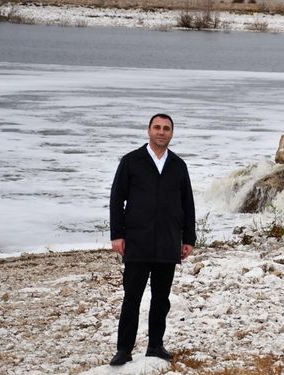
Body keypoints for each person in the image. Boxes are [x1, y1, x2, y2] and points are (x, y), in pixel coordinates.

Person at [108, 113, 196, 366]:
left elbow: (187, 204)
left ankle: (155, 346)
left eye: (166, 128)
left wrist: (188, 237)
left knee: (161, 298)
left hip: (168, 242)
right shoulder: (131, 161)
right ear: (149, 131)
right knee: (132, 297)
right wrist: (117, 235)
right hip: (137, 240)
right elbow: (116, 199)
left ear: (171, 133)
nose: (161, 132)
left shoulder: (179, 165)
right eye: (157, 127)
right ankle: (124, 349)